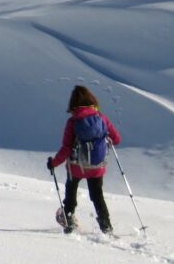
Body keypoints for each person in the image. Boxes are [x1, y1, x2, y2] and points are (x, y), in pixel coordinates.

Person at [47, 85, 121, 234]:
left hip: (76, 168)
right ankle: (106, 227)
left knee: (71, 194)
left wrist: (53, 163)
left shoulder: (73, 122)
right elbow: (117, 139)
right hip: (97, 167)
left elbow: (66, 148)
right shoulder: (101, 117)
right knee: (97, 196)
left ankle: (69, 223)